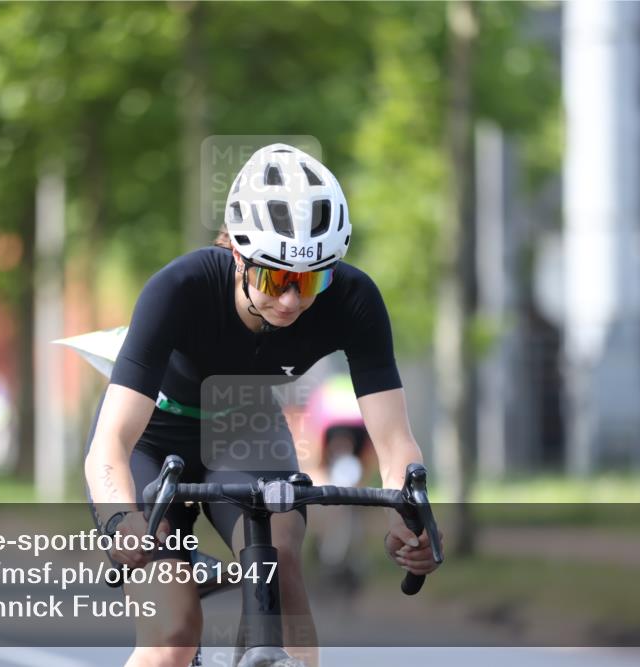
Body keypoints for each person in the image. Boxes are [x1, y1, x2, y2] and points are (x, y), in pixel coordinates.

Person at [83, 143, 440, 667]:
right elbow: (109, 445)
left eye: (311, 279)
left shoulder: (355, 298)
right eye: (275, 278)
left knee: (282, 563)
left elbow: (393, 442)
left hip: (243, 425)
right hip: (154, 439)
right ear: (236, 254)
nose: (292, 300)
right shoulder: (179, 288)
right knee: (174, 634)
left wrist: (410, 515)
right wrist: (121, 519)